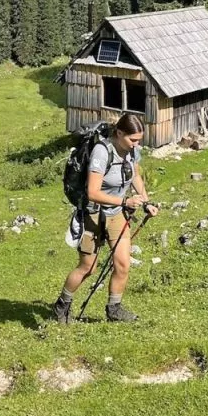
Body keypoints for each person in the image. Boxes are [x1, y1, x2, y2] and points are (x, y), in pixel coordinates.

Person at [52, 113, 159, 323]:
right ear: (119, 133)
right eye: (133, 140)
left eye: (139, 140)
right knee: (87, 268)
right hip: (92, 214)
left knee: (123, 264)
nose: (137, 145)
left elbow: (135, 174)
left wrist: (145, 201)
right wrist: (124, 203)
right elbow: (93, 192)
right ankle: (61, 307)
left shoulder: (131, 152)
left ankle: (114, 310)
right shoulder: (102, 152)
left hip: (116, 215)